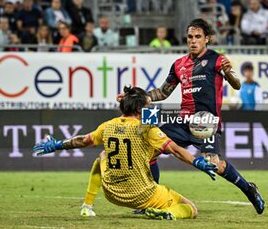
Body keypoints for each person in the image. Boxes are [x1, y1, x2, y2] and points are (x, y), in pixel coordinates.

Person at [80, 18, 265, 216]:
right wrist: (133, 96)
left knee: (214, 165)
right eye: (190, 37)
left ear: (207, 39)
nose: (193, 41)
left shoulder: (217, 59)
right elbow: (162, 92)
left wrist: (229, 74)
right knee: (149, 149)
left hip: (206, 124)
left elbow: (237, 85)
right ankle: (148, 200)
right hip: (182, 122)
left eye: (198, 37)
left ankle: (249, 189)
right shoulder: (179, 65)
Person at [33, 86, 218, 220]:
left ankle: (87, 206)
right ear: (139, 109)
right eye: (147, 105)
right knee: (190, 208)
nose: (151, 108)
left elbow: (82, 141)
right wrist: (198, 163)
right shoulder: (148, 129)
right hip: (143, 194)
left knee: (103, 156)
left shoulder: (107, 126)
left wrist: (57, 145)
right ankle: (167, 213)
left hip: (113, 194)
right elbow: (176, 151)